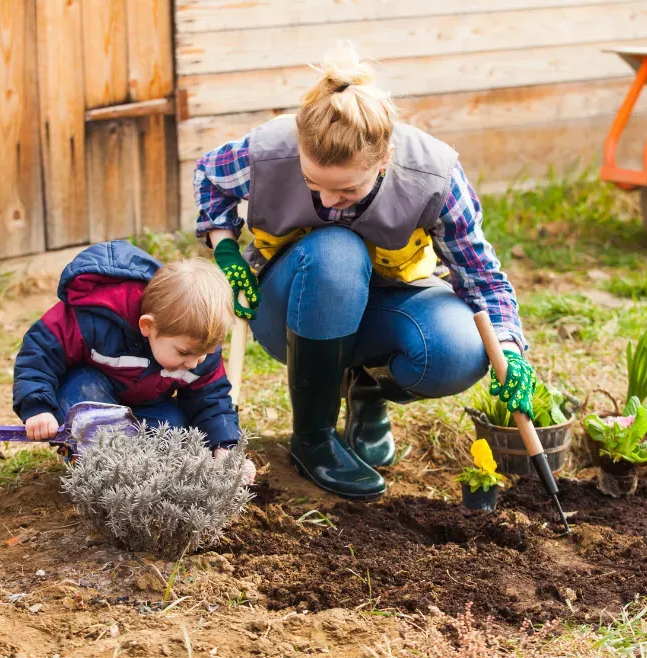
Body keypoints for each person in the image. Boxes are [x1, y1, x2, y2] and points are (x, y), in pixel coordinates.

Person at [194, 45, 535, 500]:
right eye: (314, 185)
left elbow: (481, 278)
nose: (329, 202)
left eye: (348, 189)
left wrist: (509, 349)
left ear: (385, 157)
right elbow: (209, 178)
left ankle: (368, 391)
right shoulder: (268, 152)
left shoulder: (433, 176)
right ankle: (313, 437)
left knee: (458, 350)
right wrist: (227, 251)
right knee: (336, 247)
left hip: (386, 304)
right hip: (290, 311)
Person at [12, 240, 254, 477]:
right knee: (83, 393)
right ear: (149, 326)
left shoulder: (198, 349)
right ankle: (92, 462)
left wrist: (225, 447)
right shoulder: (96, 319)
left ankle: (136, 469)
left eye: (205, 353)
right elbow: (39, 353)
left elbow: (211, 400)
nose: (194, 363)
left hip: (143, 406)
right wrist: (38, 407)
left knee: (178, 432)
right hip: (89, 396)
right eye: (184, 353)